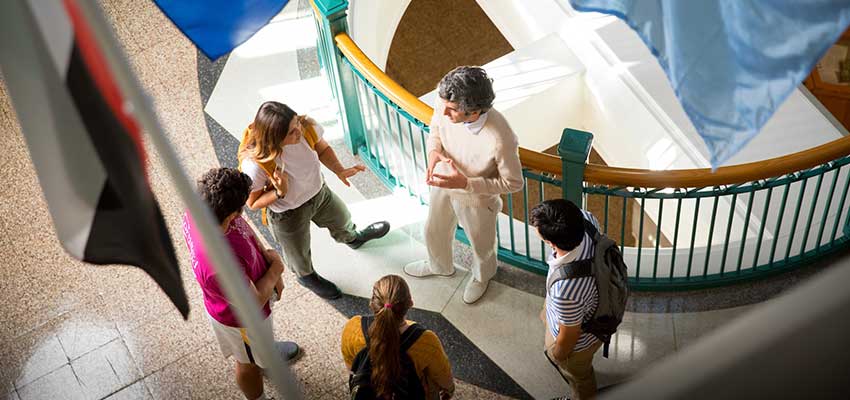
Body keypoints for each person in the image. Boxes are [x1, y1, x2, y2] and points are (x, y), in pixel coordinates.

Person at [239, 101, 390, 299]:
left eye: (297, 124)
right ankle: (306, 276)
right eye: (292, 132)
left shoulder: (306, 127)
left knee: (342, 219)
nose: (299, 132)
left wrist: (339, 170)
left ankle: (352, 238)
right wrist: (279, 192)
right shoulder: (256, 164)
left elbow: (322, 149)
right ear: (275, 138)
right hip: (287, 214)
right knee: (298, 253)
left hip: (320, 194)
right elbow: (252, 202)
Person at [404, 66, 524, 304]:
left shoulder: (501, 138)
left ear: (474, 112)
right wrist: (433, 153)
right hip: (443, 181)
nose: (443, 112)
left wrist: (467, 183)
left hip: (477, 199)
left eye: (452, 110)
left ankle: (482, 277)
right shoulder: (445, 101)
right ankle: (439, 266)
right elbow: (436, 128)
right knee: (433, 229)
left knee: (482, 244)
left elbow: (513, 182)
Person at [182, 167, 300, 400]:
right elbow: (253, 302)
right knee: (246, 363)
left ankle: (265, 351)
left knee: (259, 347)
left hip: (252, 289)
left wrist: (265, 256)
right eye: (240, 210)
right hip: (241, 322)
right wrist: (276, 269)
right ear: (230, 213)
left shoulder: (200, 209)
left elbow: (244, 228)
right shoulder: (219, 265)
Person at [530, 199, 603, 400]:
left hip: (579, 344)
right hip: (593, 306)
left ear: (551, 243)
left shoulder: (566, 290)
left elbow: (569, 336)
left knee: (580, 378)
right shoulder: (587, 221)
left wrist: (559, 356)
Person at [341, 275, 455, 400]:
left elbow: (352, 366)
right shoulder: (426, 341)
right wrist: (448, 390)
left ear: (373, 303)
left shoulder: (353, 327)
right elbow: (443, 377)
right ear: (410, 303)